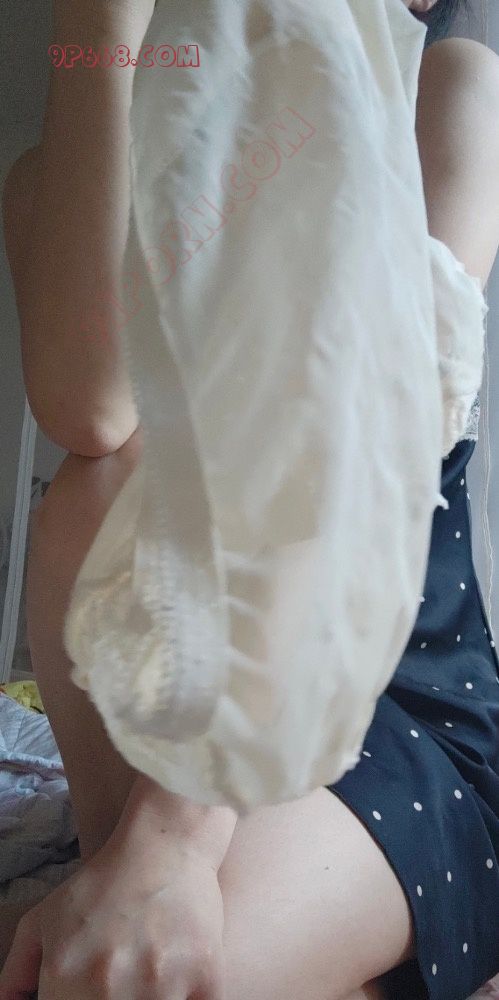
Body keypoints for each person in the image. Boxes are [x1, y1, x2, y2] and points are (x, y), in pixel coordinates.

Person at [1, 0, 499, 997]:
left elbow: (345, 467)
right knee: (112, 474)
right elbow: (91, 408)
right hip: (170, 668)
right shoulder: (83, 138)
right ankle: (131, 891)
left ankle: (148, 882)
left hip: (385, 699)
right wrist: (100, 24)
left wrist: (172, 843)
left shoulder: (448, 85)